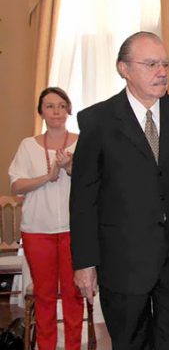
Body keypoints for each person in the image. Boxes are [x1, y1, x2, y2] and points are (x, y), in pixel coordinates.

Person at [70, 32, 169, 350]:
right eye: (150, 64)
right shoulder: (97, 121)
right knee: (130, 342)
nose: (161, 71)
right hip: (121, 260)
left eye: (165, 64)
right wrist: (84, 262)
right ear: (124, 68)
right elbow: (83, 198)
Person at [9, 87, 81, 350]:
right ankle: (46, 346)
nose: (56, 112)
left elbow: (93, 183)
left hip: (74, 230)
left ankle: (74, 346)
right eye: (50, 106)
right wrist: (48, 177)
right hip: (37, 230)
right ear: (41, 111)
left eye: (61, 106)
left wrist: (71, 167)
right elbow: (16, 186)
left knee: (74, 295)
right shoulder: (27, 146)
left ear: (68, 109)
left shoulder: (81, 142)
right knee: (45, 296)